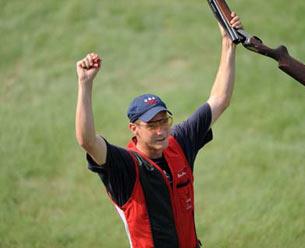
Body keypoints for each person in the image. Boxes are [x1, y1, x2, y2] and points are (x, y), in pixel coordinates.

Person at [75, 12, 242, 248]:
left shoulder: (179, 142)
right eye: (152, 125)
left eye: (164, 121)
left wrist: (228, 42)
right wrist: (85, 84)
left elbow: (219, 99)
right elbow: (87, 141)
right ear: (134, 129)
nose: (161, 130)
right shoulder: (125, 166)